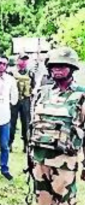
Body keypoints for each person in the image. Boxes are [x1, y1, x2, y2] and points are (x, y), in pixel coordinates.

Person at [28, 47, 85, 205]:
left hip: (65, 163)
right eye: (54, 65)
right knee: (42, 202)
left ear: (72, 68)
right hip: (40, 161)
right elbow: (33, 126)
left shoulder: (81, 95)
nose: (57, 69)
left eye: (62, 65)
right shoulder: (42, 93)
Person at [8, 53, 35, 153]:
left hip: (26, 100)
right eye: (22, 59)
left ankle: (26, 145)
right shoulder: (11, 73)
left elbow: (33, 86)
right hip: (14, 101)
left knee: (26, 123)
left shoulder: (31, 73)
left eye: (25, 60)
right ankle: (9, 143)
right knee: (11, 123)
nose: (24, 62)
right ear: (17, 60)